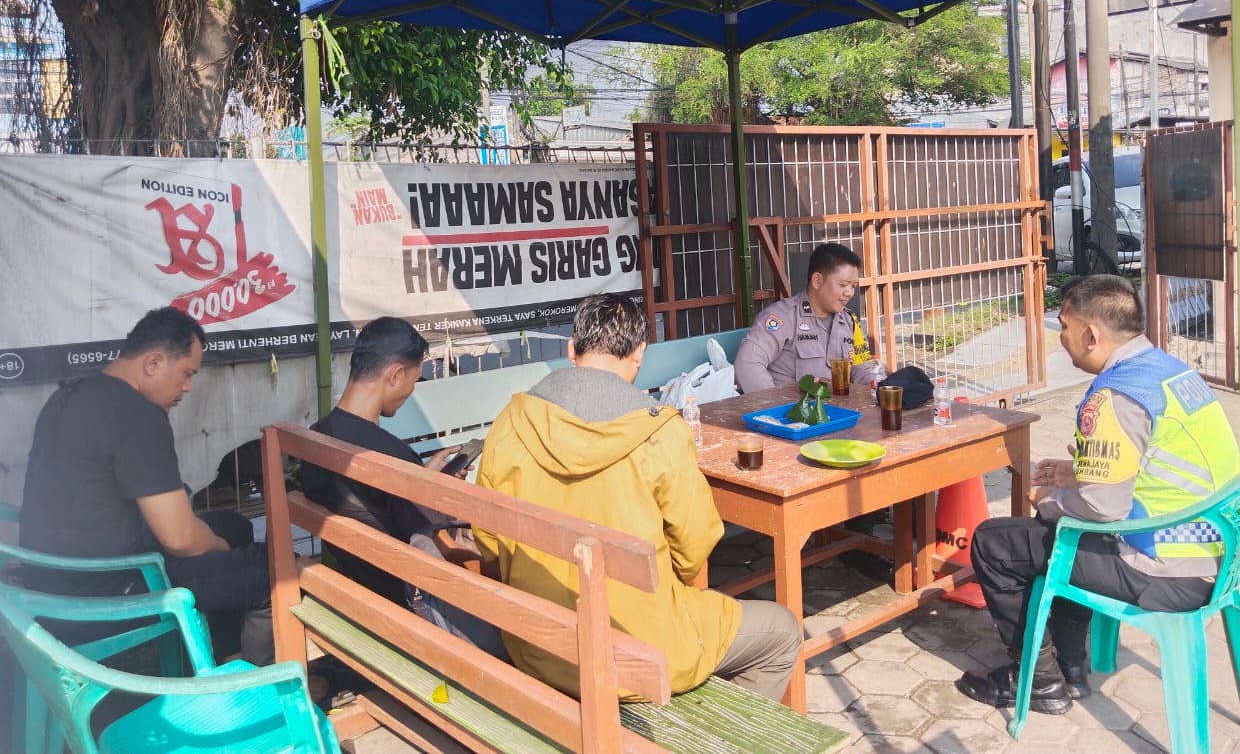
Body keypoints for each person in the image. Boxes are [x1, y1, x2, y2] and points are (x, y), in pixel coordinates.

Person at [474, 293, 802, 702]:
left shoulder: (511, 422)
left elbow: (488, 540)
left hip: (538, 647)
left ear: (572, 350)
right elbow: (694, 547)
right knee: (782, 631)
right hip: (643, 653)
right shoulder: (659, 431)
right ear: (639, 354)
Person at [957, 274, 1240, 715]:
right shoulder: (1170, 372)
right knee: (1058, 533)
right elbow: (1153, 466)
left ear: (1091, 334)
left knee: (997, 542)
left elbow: (1103, 508)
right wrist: (1079, 474)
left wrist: (1048, 499)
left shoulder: (1116, 395)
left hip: (1166, 568)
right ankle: (1070, 666)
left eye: (1064, 327)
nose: (1061, 338)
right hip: (1217, 554)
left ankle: (1039, 681)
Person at [20, 307, 273, 665]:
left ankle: (221, 655)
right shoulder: (137, 414)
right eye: (186, 373)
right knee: (267, 568)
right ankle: (254, 681)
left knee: (235, 524)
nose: (187, 387)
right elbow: (181, 540)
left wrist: (219, 540)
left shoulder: (68, 396)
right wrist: (219, 546)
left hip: (51, 581)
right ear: (153, 362)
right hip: (106, 594)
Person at [299, 316, 506, 657]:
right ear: (395, 374)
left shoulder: (317, 436)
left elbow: (380, 506)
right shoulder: (389, 456)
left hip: (361, 580)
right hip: (406, 599)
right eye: (413, 380)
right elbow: (431, 538)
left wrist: (422, 479)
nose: (411, 392)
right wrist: (437, 492)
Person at [734, 242, 874, 394]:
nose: (849, 293)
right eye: (843, 285)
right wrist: (774, 404)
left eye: (853, 286)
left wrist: (878, 384)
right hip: (794, 408)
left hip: (838, 407)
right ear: (817, 281)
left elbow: (862, 369)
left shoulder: (848, 321)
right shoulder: (782, 317)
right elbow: (747, 364)